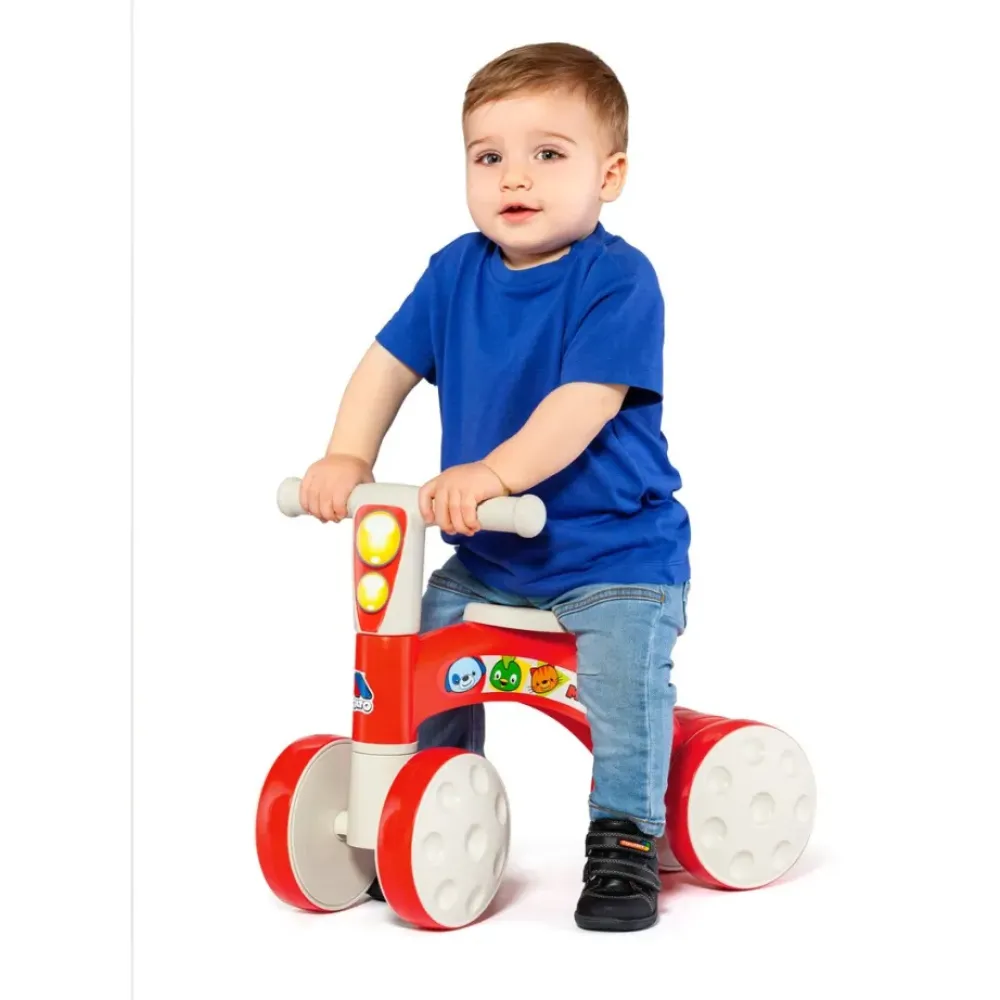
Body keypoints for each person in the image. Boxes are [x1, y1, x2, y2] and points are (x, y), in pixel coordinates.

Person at [298, 41, 691, 932]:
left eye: (548, 153)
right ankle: (418, 800)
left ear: (609, 174)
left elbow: (581, 405)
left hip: (615, 557)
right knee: (416, 650)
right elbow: (386, 366)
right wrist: (347, 455)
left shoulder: (617, 279)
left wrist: (492, 474)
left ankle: (626, 834)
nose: (515, 175)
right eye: (488, 156)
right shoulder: (455, 271)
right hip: (495, 560)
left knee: (621, 683)